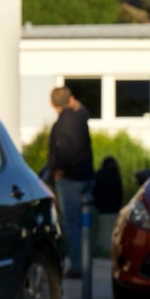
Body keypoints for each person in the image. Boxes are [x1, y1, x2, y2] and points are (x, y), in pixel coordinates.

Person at [47, 85, 95, 277]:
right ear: (71, 99)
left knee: (71, 223)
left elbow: (64, 152)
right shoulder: (80, 115)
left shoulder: (60, 125)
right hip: (86, 176)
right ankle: (85, 260)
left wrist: (59, 169)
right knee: (84, 223)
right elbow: (85, 110)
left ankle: (77, 265)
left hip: (70, 179)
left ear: (52, 104)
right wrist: (76, 104)